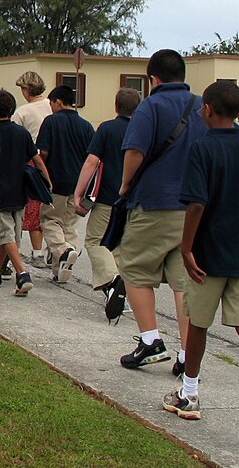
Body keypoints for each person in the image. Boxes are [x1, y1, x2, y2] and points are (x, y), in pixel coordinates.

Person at [162, 80, 239, 448]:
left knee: (198, 324)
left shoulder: (202, 149)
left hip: (208, 257)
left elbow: (196, 204)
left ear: (207, 111)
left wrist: (186, 249)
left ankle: (189, 394)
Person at [117, 49, 205, 373]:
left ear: (152, 77)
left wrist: (125, 185)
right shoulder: (200, 107)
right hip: (193, 208)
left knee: (135, 268)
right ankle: (187, 354)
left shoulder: (150, 106)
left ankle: (150, 340)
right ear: (182, 74)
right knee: (182, 282)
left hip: (154, 203)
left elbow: (135, 152)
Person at [72, 87, 142, 311]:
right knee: (121, 247)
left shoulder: (107, 129)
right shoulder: (143, 130)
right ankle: (125, 294)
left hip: (107, 197)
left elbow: (92, 161)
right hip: (134, 199)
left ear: (115, 106)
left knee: (95, 241)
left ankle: (112, 280)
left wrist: (79, 192)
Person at [0, 89, 48, 297]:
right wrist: (46, 180)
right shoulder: (21, 133)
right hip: (19, 190)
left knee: (4, 235)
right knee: (10, 236)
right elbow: (36, 158)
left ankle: (22, 274)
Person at [36, 84, 95, 285]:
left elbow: (43, 152)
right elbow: (91, 157)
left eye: (52, 103)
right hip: (78, 185)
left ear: (58, 101)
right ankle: (60, 271)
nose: (51, 107)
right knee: (69, 226)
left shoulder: (51, 122)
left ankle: (64, 251)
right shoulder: (86, 126)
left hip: (55, 182)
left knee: (50, 221)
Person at [12, 71, 52, 264]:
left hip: (31, 158)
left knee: (33, 207)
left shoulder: (22, 112)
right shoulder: (52, 106)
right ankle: (54, 247)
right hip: (53, 159)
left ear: (27, 90)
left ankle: (37, 252)